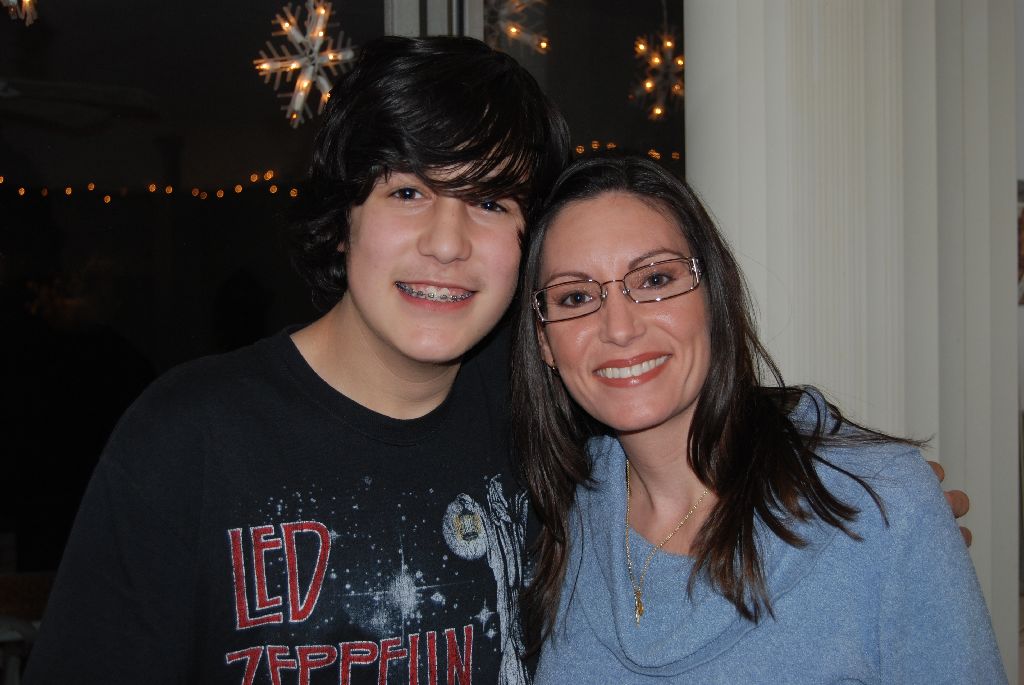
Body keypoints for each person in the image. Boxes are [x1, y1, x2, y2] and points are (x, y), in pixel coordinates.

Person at [25, 36, 568, 684]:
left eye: (490, 202)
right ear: (342, 220)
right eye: (407, 192)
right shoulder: (187, 438)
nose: (447, 243)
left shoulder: (544, 417)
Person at [510, 155, 1005, 682]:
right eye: (576, 296)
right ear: (545, 341)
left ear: (714, 297)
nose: (619, 327)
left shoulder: (881, 505)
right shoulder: (557, 514)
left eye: (654, 279)